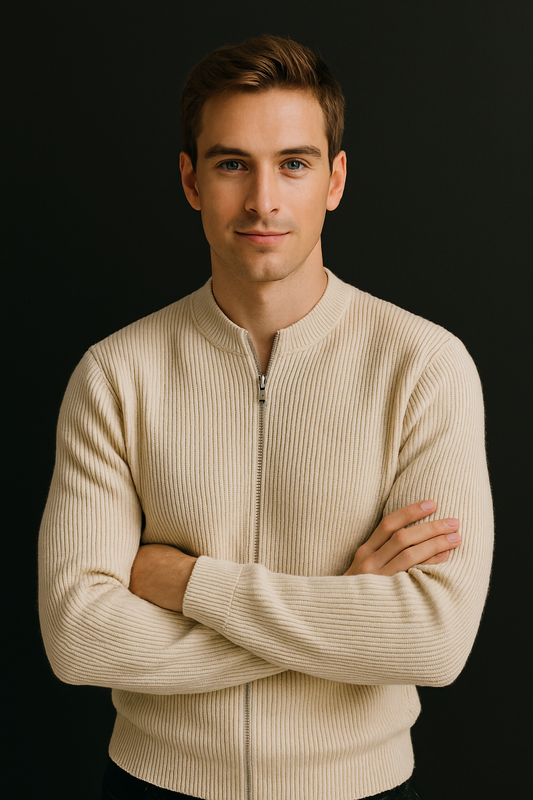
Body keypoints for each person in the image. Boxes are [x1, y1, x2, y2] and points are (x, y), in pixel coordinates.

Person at [38, 35, 493, 800]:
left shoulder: (424, 366)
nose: (262, 201)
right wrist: (344, 613)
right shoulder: (114, 374)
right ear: (190, 180)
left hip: (360, 789)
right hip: (153, 784)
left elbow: (433, 641)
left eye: (293, 163)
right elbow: (78, 640)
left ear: (334, 179)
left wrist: (189, 583)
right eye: (231, 165)